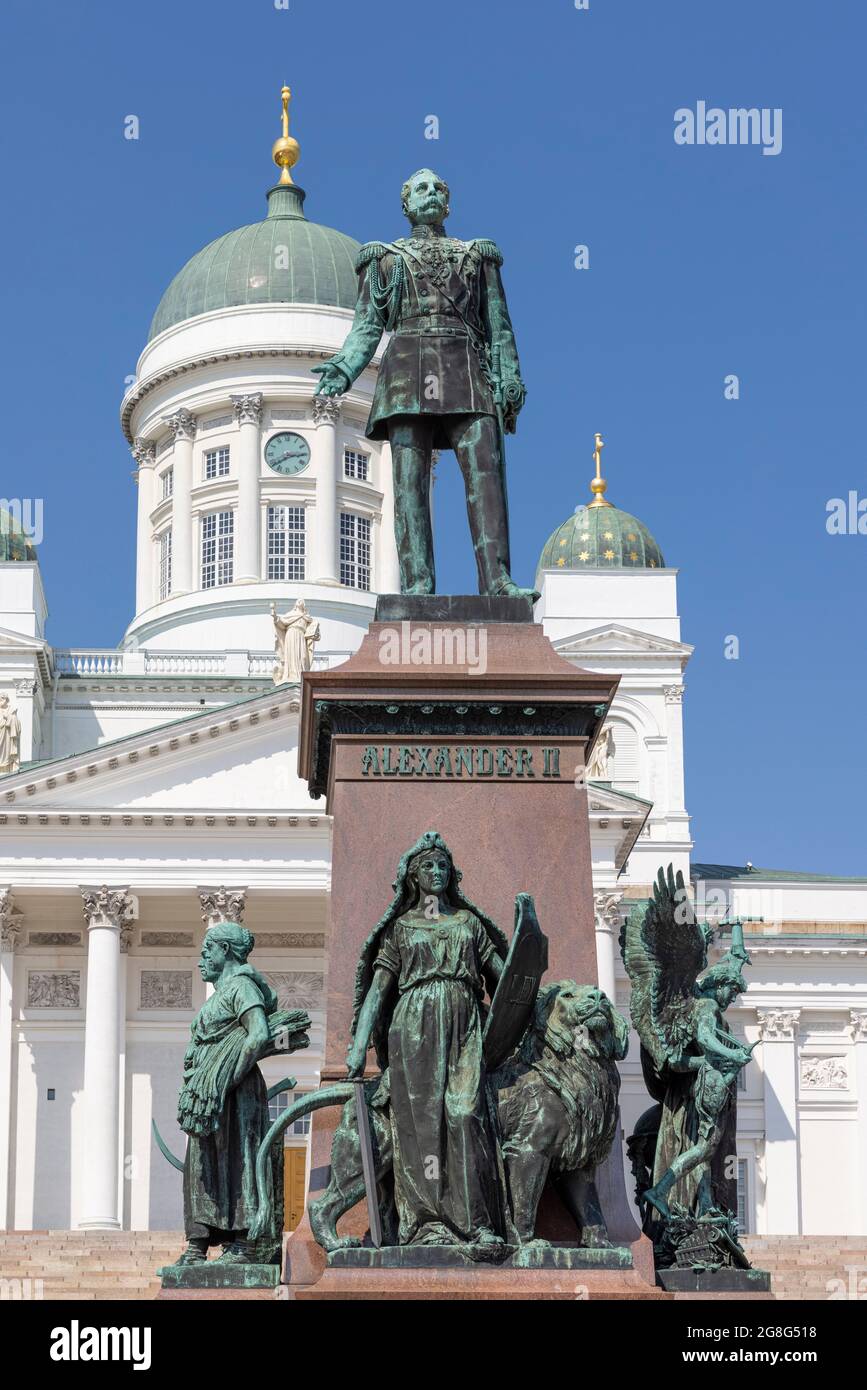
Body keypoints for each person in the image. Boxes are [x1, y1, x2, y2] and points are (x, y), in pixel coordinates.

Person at [312, 170, 534, 599]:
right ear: (406, 205)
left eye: (438, 189)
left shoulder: (477, 256)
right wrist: (345, 367)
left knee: (485, 475)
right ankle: (417, 585)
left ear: (447, 204)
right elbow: (367, 326)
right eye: (420, 189)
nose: (430, 194)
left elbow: (500, 325)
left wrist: (509, 379)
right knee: (408, 482)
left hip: (467, 367)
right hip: (407, 370)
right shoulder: (383, 259)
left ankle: (498, 582)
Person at [348, 831, 509, 1248]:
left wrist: (528, 946)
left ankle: (475, 1222)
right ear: (413, 877)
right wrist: (357, 1044)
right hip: (414, 1027)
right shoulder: (402, 928)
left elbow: (505, 978)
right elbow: (379, 990)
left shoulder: (468, 923)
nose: (436, 872)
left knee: (463, 1113)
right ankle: (426, 1223)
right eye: (427, 866)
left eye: (442, 865)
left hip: (463, 1023)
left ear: (452, 874)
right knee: (420, 1126)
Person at [174, 921, 308, 1266]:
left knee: (238, 1160)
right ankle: (197, 1245)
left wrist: (225, 1077)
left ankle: (244, 1244)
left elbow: (258, 1033)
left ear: (226, 950)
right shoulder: (221, 993)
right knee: (202, 1165)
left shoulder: (242, 987)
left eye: (208, 949)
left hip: (234, 1093)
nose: (202, 956)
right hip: (210, 1095)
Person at [271, 599, 319, 685]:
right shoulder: (291, 615)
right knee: (292, 654)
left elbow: (312, 630)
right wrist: (275, 616)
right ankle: (291, 674)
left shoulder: (307, 617)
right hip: (291, 635)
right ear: (296, 605)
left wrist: (314, 633)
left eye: (302, 602)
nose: (300, 602)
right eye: (299, 601)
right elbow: (281, 623)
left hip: (301, 636)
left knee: (302, 656)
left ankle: (300, 672)